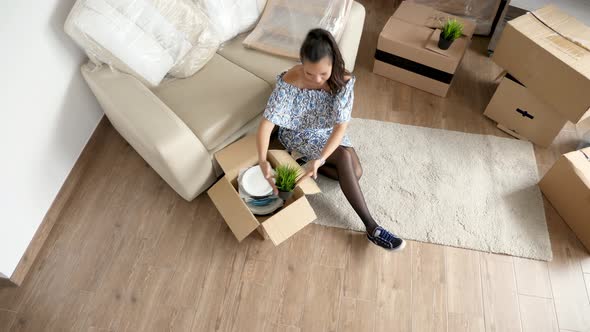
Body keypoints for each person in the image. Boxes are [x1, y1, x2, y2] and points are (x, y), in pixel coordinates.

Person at [256, 28, 405, 251]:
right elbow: (267, 124)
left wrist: (321, 158)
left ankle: (306, 163)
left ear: (333, 64)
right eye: (309, 73)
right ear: (301, 63)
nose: (316, 80)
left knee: (355, 173)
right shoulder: (290, 80)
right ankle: (372, 227)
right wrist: (262, 159)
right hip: (299, 133)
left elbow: (340, 127)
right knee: (344, 158)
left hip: (328, 131)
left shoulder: (343, 81)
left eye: (323, 74)